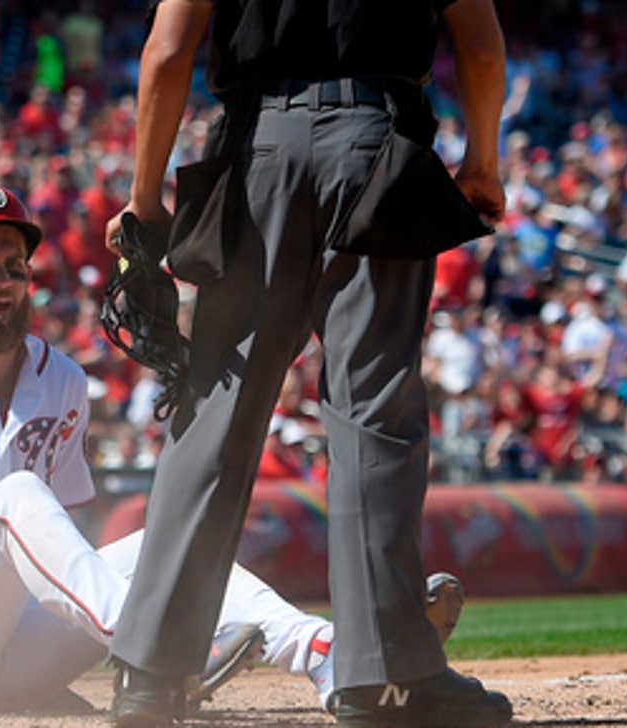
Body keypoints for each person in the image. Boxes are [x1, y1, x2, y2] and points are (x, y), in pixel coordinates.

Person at [0, 184, 465, 721]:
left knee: (169, 542)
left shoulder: (63, 381)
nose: (5, 279)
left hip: (2, 656)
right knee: (14, 500)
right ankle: (153, 649)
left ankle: (327, 655)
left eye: (15, 263)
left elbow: (60, 548)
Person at [102, 1, 511, 727]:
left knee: (216, 414)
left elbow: (168, 51)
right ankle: (380, 679)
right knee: (372, 414)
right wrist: (482, 161)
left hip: (255, 151)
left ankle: (151, 676)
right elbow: (479, 43)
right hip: (378, 143)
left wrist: (144, 199)